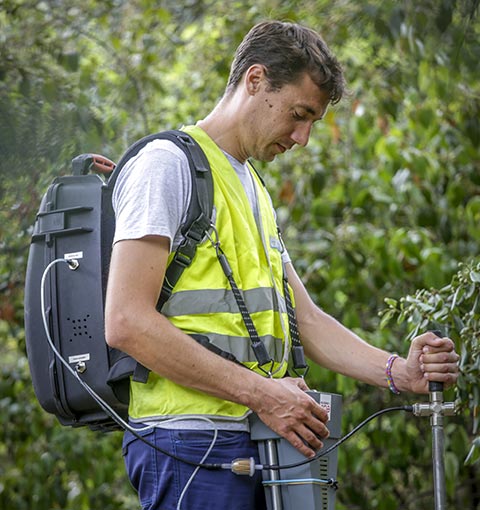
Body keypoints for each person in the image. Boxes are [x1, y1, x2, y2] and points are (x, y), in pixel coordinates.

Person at [105, 20, 459, 510]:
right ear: (255, 81)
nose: (303, 137)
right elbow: (126, 323)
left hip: (261, 440)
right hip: (189, 444)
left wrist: (399, 371)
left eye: (312, 121)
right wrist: (264, 394)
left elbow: (306, 320)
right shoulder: (167, 165)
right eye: (299, 114)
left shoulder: (252, 187)